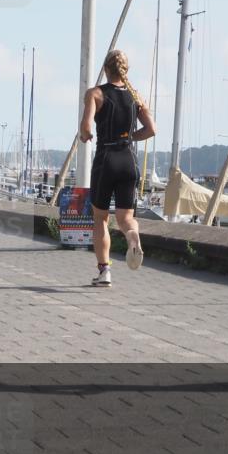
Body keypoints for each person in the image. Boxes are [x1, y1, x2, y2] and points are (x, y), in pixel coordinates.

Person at [79, 49, 156, 287]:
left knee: (100, 218)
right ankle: (133, 238)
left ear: (105, 69)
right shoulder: (135, 96)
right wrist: (130, 137)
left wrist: (86, 135)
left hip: (106, 159)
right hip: (128, 160)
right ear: (125, 70)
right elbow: (151, 130)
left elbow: (85, 127)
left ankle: (104, 272)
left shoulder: (95, 93)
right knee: (126, 219)